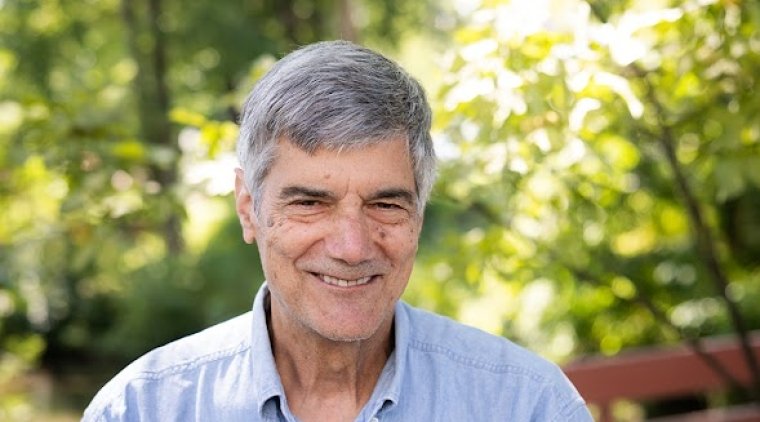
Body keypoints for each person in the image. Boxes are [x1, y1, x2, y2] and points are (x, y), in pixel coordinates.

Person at [83, 40, 592, 421]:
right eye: (310, 203)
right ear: (248, 208)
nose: (352, 247)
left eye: (386, 204)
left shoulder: (526, 404)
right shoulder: (142, 409)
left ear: (418, 215)